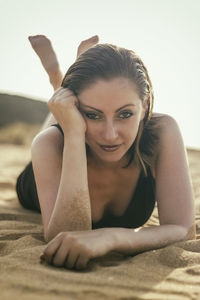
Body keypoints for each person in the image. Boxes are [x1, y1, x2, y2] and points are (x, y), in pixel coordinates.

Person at [15, 34, 196, 271]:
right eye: (93, 114)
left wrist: (112, 237)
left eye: (125, 114)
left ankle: (68, 88)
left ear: (144, 105)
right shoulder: (50, 143)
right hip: (44, 169)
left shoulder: (162, 131)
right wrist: (74, 134)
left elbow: (183, 229)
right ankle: (58, 85)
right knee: (50, 134)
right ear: (77, 110)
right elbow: (66, 236)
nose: (110, 135)